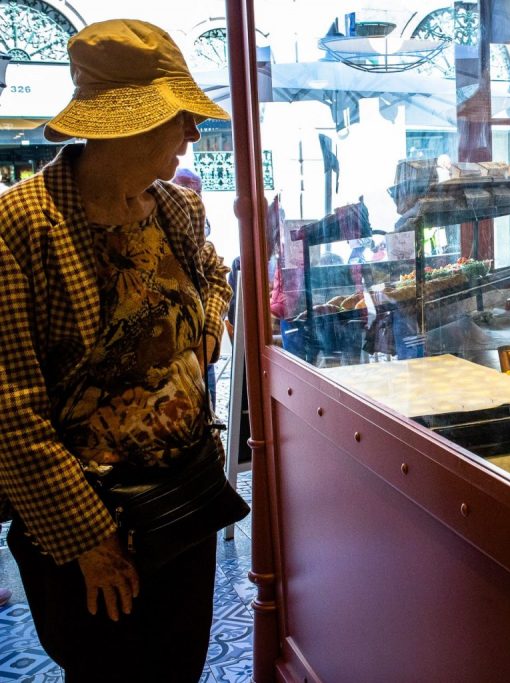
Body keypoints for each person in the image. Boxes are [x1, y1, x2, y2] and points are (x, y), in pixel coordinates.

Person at [0, 19, 231, 681]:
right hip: (94, 528)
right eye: (178, 115)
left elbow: (215, 277)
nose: (192, 131)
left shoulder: (175, 211)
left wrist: (204, 335)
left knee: (180, 662)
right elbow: (12, 412)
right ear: (126, 124)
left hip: (185, 500)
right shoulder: (23, 229)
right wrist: (89, 541)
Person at [172, 167, 224, 410]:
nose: (192, 197)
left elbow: (217, 276)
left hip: (201, 351)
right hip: (176, 366)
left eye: (197, 192)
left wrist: (210, 336)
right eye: (184, 189)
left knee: (206, 408)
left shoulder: (201, 237)